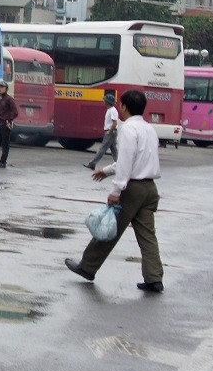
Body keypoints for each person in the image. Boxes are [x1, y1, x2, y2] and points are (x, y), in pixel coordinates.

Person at [64, 89, 165, 293]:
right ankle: (154, 278)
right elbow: (138, 159)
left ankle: (87, 267)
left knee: (109, 229)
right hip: (150, 188)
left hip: (132, 188)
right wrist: (108, 170)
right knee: (147, 236)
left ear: (124, 107)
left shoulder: (128, 129)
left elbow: (127, 161)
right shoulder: (149, 129)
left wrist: (116, 190)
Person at [86, 91, 120, 170]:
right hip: (111, 132)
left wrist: (109, 131)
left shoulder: (113, 110)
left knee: (102, 149)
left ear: (108, 102)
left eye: (105, 100)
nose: (103, 101)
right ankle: (119, 165)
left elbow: (114, 122)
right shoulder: (110, 110)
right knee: (114, 149)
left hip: (111, 132)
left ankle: (92, 163)